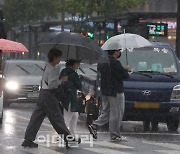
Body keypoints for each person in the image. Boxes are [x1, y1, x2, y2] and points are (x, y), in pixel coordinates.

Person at [21, 48, 72, 148]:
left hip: (43, 94)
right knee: (56, 118)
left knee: (36, 118)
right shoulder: (52, 69)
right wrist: (61, 80)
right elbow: (52, 85)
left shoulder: (47, 66)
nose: (59, 59)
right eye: (59, 57)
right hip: (49, 95)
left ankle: (28, 139)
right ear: (55, 57)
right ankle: (68, 139)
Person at [88, 49, 130, 142]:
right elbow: (124, 76)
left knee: (106, 111)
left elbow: (104, 73)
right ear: (115, 52)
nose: (119, 53)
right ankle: (114, 135)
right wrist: (126, 70)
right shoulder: (116, 63)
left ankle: (94, 125)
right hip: (116, 91)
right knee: (116, 113)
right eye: (118, 51)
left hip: (105, 90)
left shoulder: (102, 62)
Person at [59, 59, 82, 143]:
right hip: (71, 98)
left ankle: (72, 134)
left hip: (64, 97)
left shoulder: (63, 72)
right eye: (78, 63)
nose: (79, 65)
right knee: (67, 117)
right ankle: (62, 134)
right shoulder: (74, 74)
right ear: (73, 64)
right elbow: (79, 86)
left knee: (75, 116)